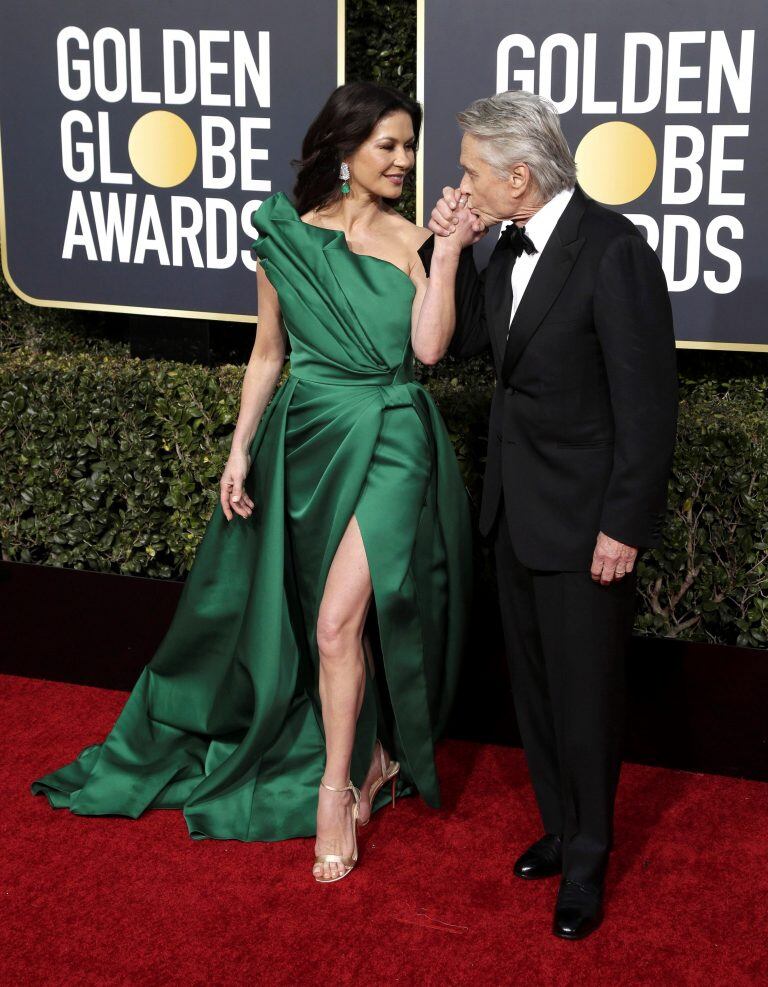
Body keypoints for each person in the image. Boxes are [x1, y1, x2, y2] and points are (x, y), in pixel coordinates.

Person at [31, 81, 473, 884]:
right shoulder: (283, 239)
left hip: (394, 437)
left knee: (339, 623)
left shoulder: (416, 239)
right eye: (390, 146)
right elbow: (268, 353)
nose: (405, 160)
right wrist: (238, 452)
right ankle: (372, 755)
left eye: (411, 146)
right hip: (307, 438)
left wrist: (445, 256)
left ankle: (332, 792)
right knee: (322, 621)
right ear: (347, 150)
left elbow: (432, 351)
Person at [416, 89, 678, 938]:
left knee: (586, 697)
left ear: (519, 175)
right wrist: (451, 248)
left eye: (470, 173)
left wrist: (624, 526)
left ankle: (591, 862)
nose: (461, 184)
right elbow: (457, 350)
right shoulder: (504, 246)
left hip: (586, 523)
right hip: (515, 513)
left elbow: (648, 407)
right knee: (535, 692)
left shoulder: (614, 252)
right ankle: (562, 829)